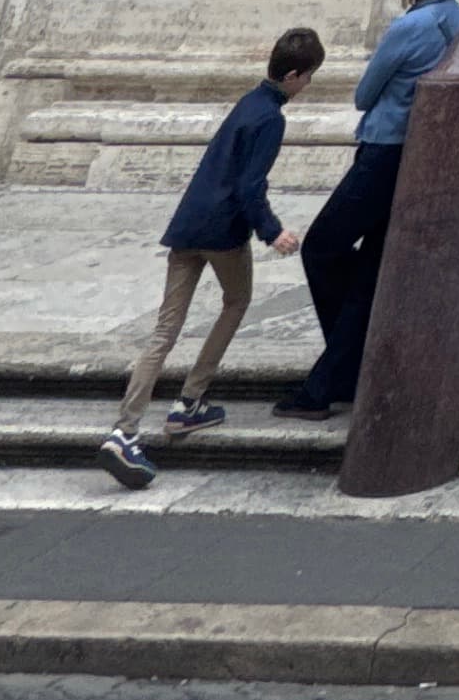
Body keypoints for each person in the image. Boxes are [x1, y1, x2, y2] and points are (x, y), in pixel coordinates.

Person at [98, 26, 323, 491]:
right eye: (309, 78)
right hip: (223, 232)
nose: (308, 87)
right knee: (237, 302)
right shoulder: (272, 118)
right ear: (295, 75)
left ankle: (125, 428)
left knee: (166, 328)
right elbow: (249, 185)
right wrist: (272, 231)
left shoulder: (247, 102)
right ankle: (190, 401)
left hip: (188, 224)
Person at [274, 0, 459, 416]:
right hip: (422, 157)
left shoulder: (411, 26)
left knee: (321, 246)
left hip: (382, 154)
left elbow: (363, 95)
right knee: (369, 272)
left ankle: (339, 373)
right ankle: (338, 376)